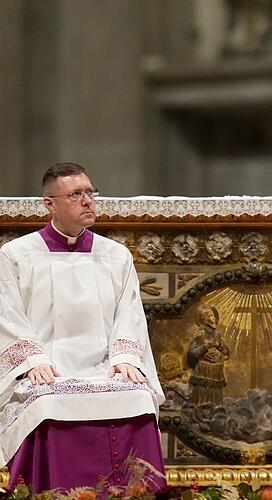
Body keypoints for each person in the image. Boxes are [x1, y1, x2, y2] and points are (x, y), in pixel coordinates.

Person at [0, 163, 166, 491]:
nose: (88, 201)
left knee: (139, 398)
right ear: (49, 204)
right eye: (75, 195)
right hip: (47, 369)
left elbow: (129, 312)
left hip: (104, 366)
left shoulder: (115, 255)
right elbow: (7, 314)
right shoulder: (17, 255)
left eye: (90, 192)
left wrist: (125, 357)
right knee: (46, 404)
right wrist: (32, 360)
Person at [187, 304, 230, 405]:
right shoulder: (200, 334)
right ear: (203, 319)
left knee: (215, 396)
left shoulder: (216, 334)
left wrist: (220, 353)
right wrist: (204, 347)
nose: (213, 318)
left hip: (215, 372)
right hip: (203, 371)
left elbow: (225, 351)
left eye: (214, 315)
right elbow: (192, 354)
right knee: (203, 395)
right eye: (210, 315)